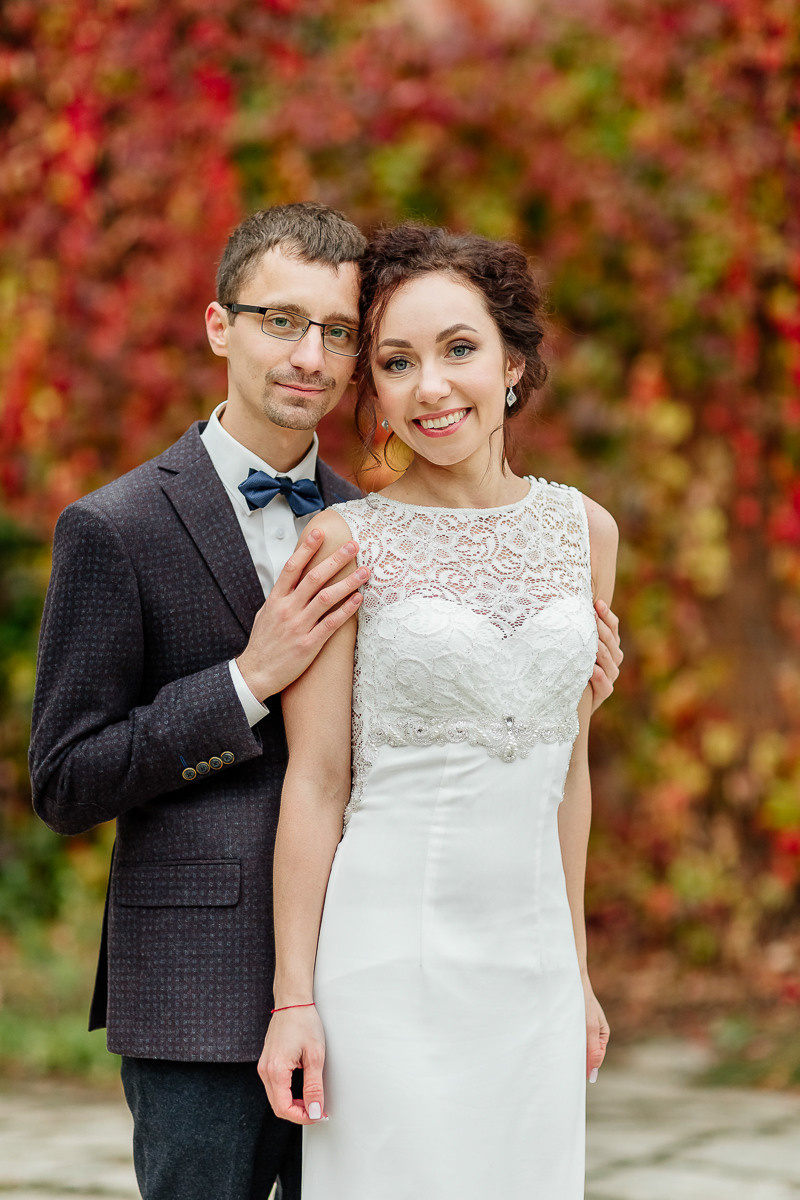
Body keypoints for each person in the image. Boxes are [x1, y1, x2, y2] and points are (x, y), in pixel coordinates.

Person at [29, 204, 621, 1200]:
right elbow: (65, 780)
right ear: (220, 326)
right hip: (212, 984)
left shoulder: (391, 516)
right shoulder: (117, 528)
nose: (309, 355)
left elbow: (535, 755)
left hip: (448, 962)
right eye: (278, 320)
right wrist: (243, 683)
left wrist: (556, 687)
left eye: (338, 334)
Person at [260, 223, 619, 1199]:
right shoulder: (341, 541)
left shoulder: (583, 532)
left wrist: (576, 968)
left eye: (457, 349)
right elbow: (317, 782)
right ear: (369, 391)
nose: (431, 386)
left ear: (512, 360)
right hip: (387, 963)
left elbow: (566, 772)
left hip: (530, 962)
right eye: (395, 362)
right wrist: (295, 999)